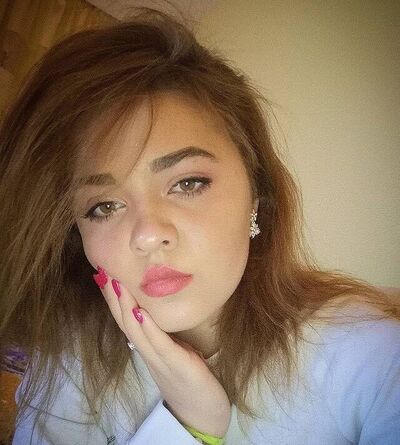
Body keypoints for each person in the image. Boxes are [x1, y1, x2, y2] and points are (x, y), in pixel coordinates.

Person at [0, 9, 399, 445]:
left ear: (257, 192)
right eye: (104, 207)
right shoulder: (71, 357)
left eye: (187, 183)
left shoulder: (369, 358)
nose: (147, 234)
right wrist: (188, 422)